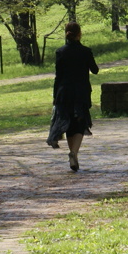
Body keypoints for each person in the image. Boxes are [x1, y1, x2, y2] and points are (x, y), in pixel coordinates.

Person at [47, 21, 99, 171]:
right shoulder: (86, 51)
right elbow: (95, 70)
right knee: (80, 123)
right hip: (81, 92)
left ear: (66, 34)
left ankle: (73, 154)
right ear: (79, 34)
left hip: (64, 93)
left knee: (68, 123)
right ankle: (73, 153)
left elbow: (59, 76)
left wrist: (55, 95)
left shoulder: (60, 52)